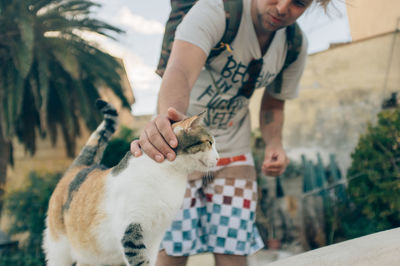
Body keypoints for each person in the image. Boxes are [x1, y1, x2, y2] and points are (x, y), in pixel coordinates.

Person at [130, 0, 331, 265]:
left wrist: (274, 143)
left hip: (234, 155)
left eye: (298, 3)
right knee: (171, 252)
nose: (283, 8)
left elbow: (274, 103)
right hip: (180, 153)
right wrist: (168, 124)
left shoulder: (294, 45)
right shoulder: (216, 10)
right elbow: (179, 70)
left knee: (233, 252)